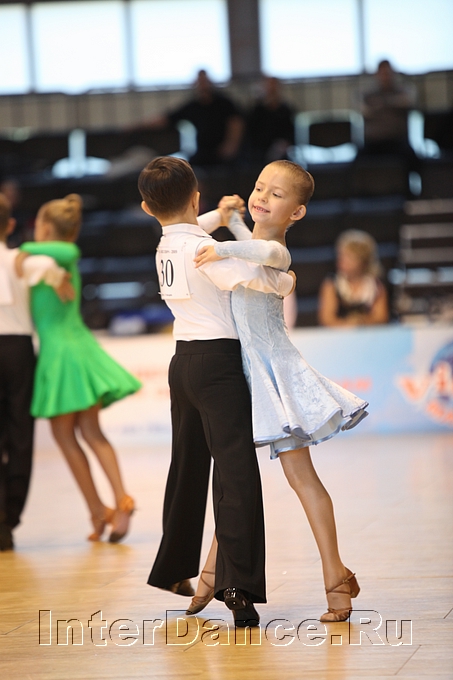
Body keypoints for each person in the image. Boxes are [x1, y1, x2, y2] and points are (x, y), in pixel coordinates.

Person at [192, 160, 368, 622]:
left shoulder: (276, 252)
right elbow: (248, 241)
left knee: (300, 479)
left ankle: (336, 578)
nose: (262, 196)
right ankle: (210, 573)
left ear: (297, 212)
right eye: (259, 187)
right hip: (244, 375)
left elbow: (264, 252)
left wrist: (223, 245)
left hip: (275, 377)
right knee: (236, 479)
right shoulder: (252, 244)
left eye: (276, 193)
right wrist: (230, 218)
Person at [138, 156, 296, 627]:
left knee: (187, 468)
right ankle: (237, 588)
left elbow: (188, 225)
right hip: (218, 366)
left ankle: (174, 567)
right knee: (236, 476)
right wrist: (286, 280)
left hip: (182, 365)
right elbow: (259, 278)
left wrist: (221, 216)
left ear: (147, 209)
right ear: (196, 195)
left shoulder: (167, 243)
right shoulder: (207, 251)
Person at [18, 195, 141, 543]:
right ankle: (115, 502)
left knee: (67, 435)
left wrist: (23, 248)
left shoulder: (53, 255)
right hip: (78, 348)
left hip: (62, 352)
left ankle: (103, 507)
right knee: (90, 431)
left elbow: (67, 250)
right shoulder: (48, 261)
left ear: (45, 228)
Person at [0, 193, 73, 550]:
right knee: (20, 435)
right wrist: (59, 278)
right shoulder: (21, 259)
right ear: (11, 225)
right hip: (17, 350)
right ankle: (8, 521)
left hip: (14, 347)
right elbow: (49, 266)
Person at [142, 70, 245, 167]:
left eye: (204, 82)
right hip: (203, 152)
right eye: (200, 82)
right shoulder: (193, 106)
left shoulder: (224, 104)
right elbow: (167, 119)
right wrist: (139, 125)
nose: (203, 85)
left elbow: (236, 122)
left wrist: (231, 144)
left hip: (223, 152)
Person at [318, 229, 389, 327]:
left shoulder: (375, 287)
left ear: (362, 261)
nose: (342, 261)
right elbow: (327, 319)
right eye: (341, 256)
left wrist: (360, 322)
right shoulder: (332, 285)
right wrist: (347, 325)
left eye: (348, 257)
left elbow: (381, 318)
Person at [358, 59, 418, 171]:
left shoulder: (402, 90)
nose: (385, 76)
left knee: (415, 161)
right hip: (374, 143)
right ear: (377, 74)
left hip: (397, 141)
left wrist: (383, 103)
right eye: (382, 73)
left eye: (388, 73)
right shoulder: (368, 94)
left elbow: (408, 101)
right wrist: (389, 105)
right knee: (357, 164)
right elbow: (364, 110)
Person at [246, 76, 295, 164]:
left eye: (274, 87)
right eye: (268, 86)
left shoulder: (286, 111)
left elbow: (290, 134)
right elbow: (252, 135)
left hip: (282, 153)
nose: (271, 90)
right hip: (259, 153)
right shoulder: (256, 111)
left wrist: (282, 145)